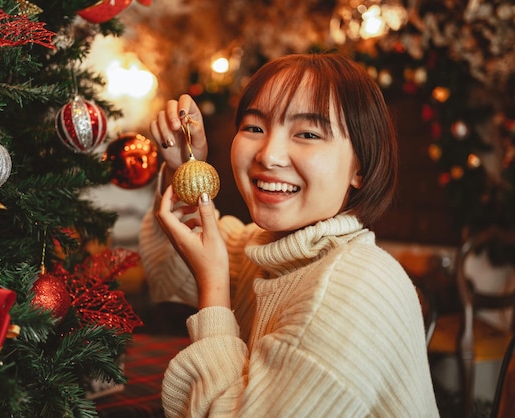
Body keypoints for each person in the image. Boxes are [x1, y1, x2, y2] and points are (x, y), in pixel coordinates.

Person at [139, 53, 439, 417]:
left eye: (308, 133)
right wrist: (184, 166)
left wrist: (214, 287)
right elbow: (169, 269)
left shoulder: (353, 287)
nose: (269, 155)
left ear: (360, 166)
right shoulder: (269, 251)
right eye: (254, 128)